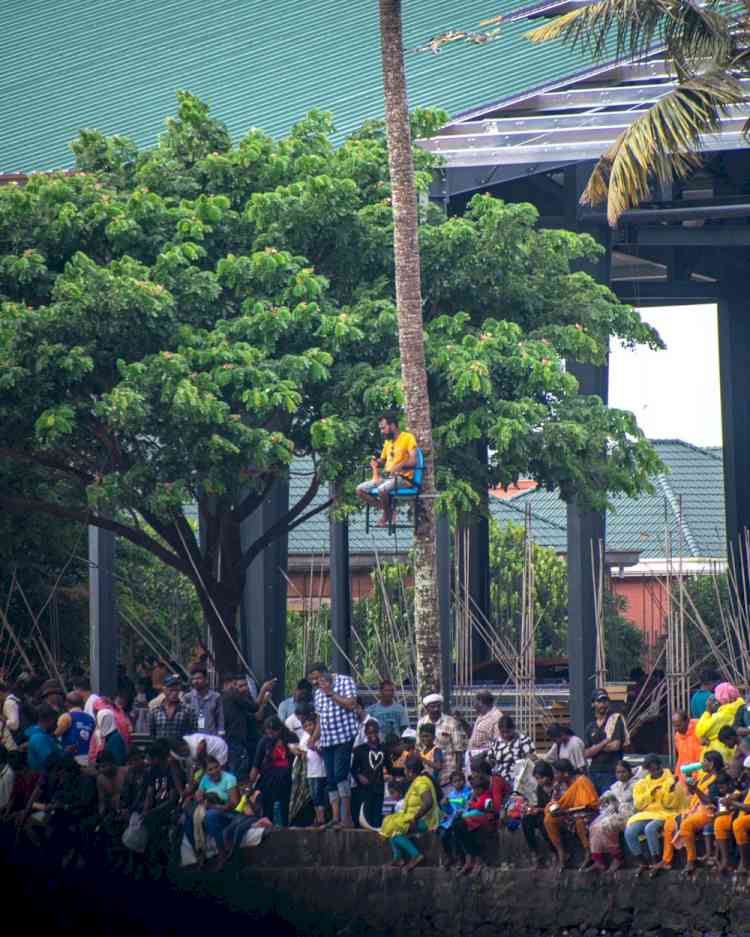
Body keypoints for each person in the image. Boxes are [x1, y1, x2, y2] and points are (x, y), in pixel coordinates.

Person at [654, 750, 724, 876]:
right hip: (694, 809)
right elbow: (694, 794)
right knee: (669, 824)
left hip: (708, 811)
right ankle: (666, 860)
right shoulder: (704, 776)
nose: (702, 763)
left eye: (705, 761)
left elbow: (710, 801)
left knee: (686, 824)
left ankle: (691, 860)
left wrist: (696, 789)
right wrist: (690, 783)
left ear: (712, 764)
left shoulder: (718, 779)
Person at [309, 661, 359, 830]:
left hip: (344, 736)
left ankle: (347, 818)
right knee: (330, 779)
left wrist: (330, 693)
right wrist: (313, 738)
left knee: (340, 775)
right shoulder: (317, 693)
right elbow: (320, 719)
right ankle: (336, 818)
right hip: (327, 740)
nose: (315, 683)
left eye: (317, 678)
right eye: (313, 681)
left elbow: (351, 704)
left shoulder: (345, 681)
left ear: (325, 673)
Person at [356, 411, 418, 527]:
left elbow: (413, 461)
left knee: (382, 490)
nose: (381, 431)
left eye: (383, 428)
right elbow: (383, 460)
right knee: (360, 490)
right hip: (388, 478)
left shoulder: (408, 438)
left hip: (403, 478)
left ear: (393, 426)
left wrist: (399, 465)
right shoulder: (388, 442)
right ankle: (389, 510)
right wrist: (376, 461)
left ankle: (386, 515)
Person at [379, 753, 440, 871]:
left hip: (426, 821)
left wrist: (414, 819)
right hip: (419, 818)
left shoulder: (421, 782)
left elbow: (428, 802)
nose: (405, 772)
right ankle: (398, 859)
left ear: (410, 771)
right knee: (391, 825)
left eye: (405, 770)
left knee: (396, 833)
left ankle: (416, 855)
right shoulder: (418, 781)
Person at [625, 753, 679, 874]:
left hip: (665, 813)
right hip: (647, 813)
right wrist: (650, 793)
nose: (655, 772)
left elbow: (672, 803)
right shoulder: (642, 783)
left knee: (650, 829)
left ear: (661, 766)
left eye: (657, 768)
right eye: (651, 769)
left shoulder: (671, 779)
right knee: (629, 831)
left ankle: (657, 861)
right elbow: (638, 804)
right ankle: (642, 862)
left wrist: (669, 791)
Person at [183, 755, 239, 865]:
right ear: (206, 771)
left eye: (216, 767)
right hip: (208, 808)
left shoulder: (229, 778)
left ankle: (222, 852)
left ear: (220, 766)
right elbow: (199, 795)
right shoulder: (205, 779)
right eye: (210, 769)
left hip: (227, 813)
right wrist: (198, 796)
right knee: (186, 818)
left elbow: (234, 803)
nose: (214, 771)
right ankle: (199, 851)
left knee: (211, 815)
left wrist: (215, 807)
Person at [543, 758, 598, 869]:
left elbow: (589, 805)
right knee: (548, 820)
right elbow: (556, 803)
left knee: (579, 821)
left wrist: (566, 810)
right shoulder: (558, 785)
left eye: (556, 773)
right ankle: (561, 853)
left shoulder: (582, 781)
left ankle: (588, 853)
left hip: (586, 813)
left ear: (566, 773)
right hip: (567, 815)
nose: (554, 776)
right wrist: (554, 808)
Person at [440, 769, 497, 875]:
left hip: (481, 822)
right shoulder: (452, 795)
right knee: (453, 828)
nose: (474, 791)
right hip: (464, 820)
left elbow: (484, 810)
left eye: (460, 780)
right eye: (455, 781)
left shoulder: (479, 795)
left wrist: (471, 804)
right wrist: (445, 806)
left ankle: (474, 860)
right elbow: (451, 811)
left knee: (463, 827)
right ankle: (466, 859)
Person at [588, 760, 636, 873]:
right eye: (618, 772)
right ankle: (598, 860)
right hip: (615, 813)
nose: (620, 775)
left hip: (629, 814)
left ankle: (618, 857)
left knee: (606, 825)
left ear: (629, 772)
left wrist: (615, 802)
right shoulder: (616, 785)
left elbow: (627, 802)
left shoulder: (636, 784)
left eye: (623, 772)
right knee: (594, 827)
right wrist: (605, 799)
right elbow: (607, 796)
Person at [249, 716, 295, 827]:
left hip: (286, 780)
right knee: (267, 806)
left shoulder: (290, 739)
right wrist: (250, 784)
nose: (270, 735)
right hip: (268, 780)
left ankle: (286, 828)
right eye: (268, 733)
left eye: (273, 732)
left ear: (279, 729)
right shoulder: (264, 741)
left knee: (286, 806)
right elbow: (256, 764)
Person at [417, 693, 466, 792]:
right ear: (426, 708)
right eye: (432, 706)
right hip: (428, 775)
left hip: (448, 775)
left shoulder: (451, 722)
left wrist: (457, 772)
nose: (436, 709)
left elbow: (458, 750)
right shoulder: (421, 723)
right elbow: (419, 747)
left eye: (438, 706)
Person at [584, 690, 629, 794]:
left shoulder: (615, 720)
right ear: (593, 703)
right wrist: (604, 742)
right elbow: (586, 753)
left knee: (608, 803)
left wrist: (594, 748)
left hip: (611, 772)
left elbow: (615, 746)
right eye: (599, 701)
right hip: (594, 771)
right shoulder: (590, 727)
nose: (602, 704)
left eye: (605, 701)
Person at [487, 715, 535, 810]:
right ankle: (498, 814)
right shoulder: (496, 742)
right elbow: (490, 758)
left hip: (519, 776)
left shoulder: (524, 740)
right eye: (502, 732)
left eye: (508, 732)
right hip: (500, 775)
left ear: (513, 728)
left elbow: (531, 757)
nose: (505, 735)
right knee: (496, 783)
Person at [715, 756, 750, 872]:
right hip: (742, 812)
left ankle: (744, 863)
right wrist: (739, 795)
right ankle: (725, 860)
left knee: (738, 824)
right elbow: (746, 792)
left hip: (745, 814)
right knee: (719, 822)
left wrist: (732, 802)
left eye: (748, 769)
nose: (746, 772)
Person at [521, 760, 555, 866]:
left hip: (554, 814)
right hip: (542, 812)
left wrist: (539, 810)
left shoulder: (556, 786)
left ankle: (555, 852)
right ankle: (535, 852)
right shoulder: (540, 788)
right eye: (537, 778)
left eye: (540, 778)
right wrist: (530, 808)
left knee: (542, 822)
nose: (538, 781)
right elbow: (540, 804)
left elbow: (554, 806)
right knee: (526, 820)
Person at [297, 712, 327, 828]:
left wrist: (315, 749)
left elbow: (324, 754)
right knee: (314, 796)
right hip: (311, 772)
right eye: (306, 726)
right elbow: (302, 750)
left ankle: (322, 819)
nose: (309, 727)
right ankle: (318, 818)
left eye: (310, 724)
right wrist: (300, 753)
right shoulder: (304, 737)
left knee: (319, 795)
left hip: (321, 771)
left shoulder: (320, 736)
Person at [697, 683, 744, 754]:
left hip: (722, 752)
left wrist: (707, 711)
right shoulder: (741, 707)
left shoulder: (721, 716)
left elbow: (700, 730)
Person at [55, 692, 96, 767]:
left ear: (67, 704)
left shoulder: (66, 717)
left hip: (72, 760)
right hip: (90, 758)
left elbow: (55, 736)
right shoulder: (91, 719)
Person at [465, 691, 500, 771]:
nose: (473, 704)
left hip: (483, 759)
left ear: (481, 702)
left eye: (475, 701)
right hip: (473, 756)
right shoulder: (481, 715)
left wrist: (483, 756)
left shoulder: (496, 717)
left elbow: (498, 743)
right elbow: (473, 736)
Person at [185, 667, 224, 735]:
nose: (195, 681)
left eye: (198, 678)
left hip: (211, 736)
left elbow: (220, 718)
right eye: (193, 679)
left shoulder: (216, 697)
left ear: (206, 680)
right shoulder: (188, 697)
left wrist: (220, 735)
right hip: (194, 737)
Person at [26, 704, 62, 772]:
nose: (57, 723)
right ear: (51, 719)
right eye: (56, 719)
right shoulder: (39, 737)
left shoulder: (43, 735)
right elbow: (51, 762)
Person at [673, 709, 703, 782]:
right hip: (687, 774)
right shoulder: (677, 737)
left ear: (687, 721)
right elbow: (681, 757)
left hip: (701, 771)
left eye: (679, 725)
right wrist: (676, 775)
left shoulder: (699, 727)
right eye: (675, 726)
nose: (677, 729)